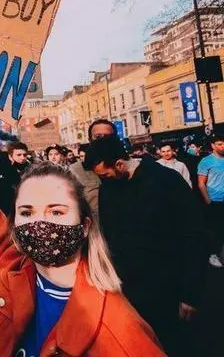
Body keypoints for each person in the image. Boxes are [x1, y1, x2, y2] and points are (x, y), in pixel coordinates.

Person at [0, 80, 163, 356]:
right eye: (27, 212)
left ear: (85, 224)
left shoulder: (121, 330)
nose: (40, 223)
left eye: (56, 211)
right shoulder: (12, 266)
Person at [84, 135, 207, 354]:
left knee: (175, 345)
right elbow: (109, 234)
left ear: (120, 164)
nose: (104, 180)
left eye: (105, 174)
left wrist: (191, 293)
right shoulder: (109, 188)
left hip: (170, 287)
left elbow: (193, 235)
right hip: (130, 289)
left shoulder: (166, 180)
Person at [197, 133, 224, 268]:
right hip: (215, 200)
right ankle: (213, 254)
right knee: (217, 229)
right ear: (213, 146)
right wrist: (208, 201)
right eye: (219, 144)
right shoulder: (206, 161)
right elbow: (201, 183)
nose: (222, 146)